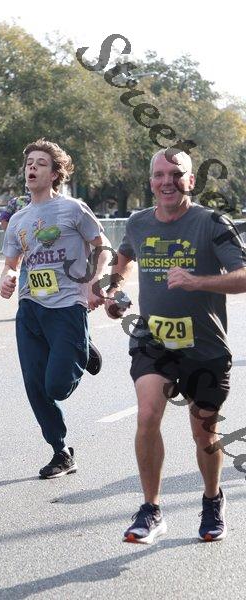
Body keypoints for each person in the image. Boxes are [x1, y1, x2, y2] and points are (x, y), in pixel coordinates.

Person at [105, 147, 246, 543]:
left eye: (176, 174)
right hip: (153, 340)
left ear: (191, 180)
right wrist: (114, 291)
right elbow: (123, 258)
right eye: (159, 175)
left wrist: (197, 281)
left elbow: (243, 275)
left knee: (204, 434)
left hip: (205, 347)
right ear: (151, 181)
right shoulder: (138, 222)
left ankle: (212, 498)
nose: (167, 181)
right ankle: (150, 509)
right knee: (148, 414)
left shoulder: (212, 223)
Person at [0, 139, 111, 478]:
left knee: (57, 387)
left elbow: (103, 247)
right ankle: (60, 451)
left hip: (67, 306)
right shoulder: (18, 219)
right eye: (29, 163)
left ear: (55, 174)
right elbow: (11, 264)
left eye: (41, 163)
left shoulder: (73, 209)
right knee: (36, 387)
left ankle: (81, 347)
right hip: (30, 307)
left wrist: (96, 281)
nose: (32, 167)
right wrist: (7, 277)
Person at [0, 191, 31, 291]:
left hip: (22, 241)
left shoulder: (15, 201)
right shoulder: (46, 200)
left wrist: (12, 236)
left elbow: (3, 219)